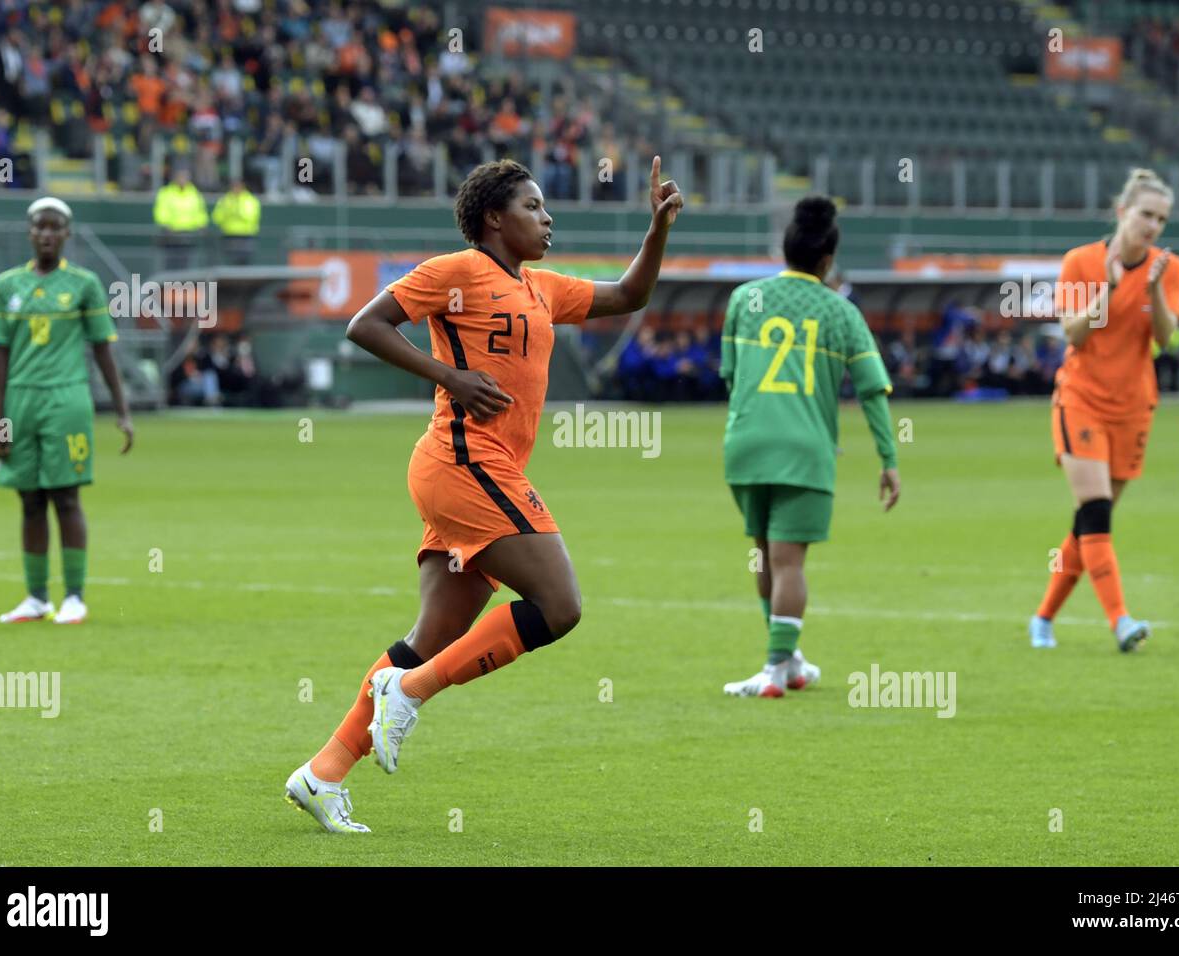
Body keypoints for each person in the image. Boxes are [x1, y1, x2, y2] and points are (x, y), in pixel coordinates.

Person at [283, 156, 683, 832]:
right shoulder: (457, 271)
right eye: (532, 206)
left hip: (477, 467)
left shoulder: (541, 287)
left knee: (435, 634)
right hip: (465, 460)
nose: (547, 217)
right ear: (493, 218)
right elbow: (366, 324)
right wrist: (449, 376)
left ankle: (322, 773)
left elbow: (628, 296)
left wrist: (657, 231)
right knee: (559, 605)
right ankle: (406, 692)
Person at [720, 197, 901, 698]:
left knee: (763, 554)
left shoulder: (744, 299)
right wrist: (888, 460)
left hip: (746, 444)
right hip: (805, 449)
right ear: (827, 261)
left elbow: (731, 378)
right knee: (788, 562)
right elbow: (872, 391)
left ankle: (789, 661)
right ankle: (777, 667)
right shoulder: (841, 312)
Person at [1029, 169, 1179, 653]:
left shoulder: (1169, 268)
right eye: (1146, 214)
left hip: (1134, 407)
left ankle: (1042, 617)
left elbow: (1164, 338)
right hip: (1081, 399)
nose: (1153, 226)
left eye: (1161, 219)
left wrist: (1153, 288)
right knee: (1095, 511)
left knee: (1089, 523)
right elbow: (1074, 334)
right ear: (1122, 212)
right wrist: (1111, 290)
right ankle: (1120, 620)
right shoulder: (1080, 261)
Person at [0, 197, 134, 625]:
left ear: (67, 234)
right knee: (29, 499)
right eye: (39, 227)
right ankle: (35, 598)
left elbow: (103, 351)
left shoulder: (84, 284)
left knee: (65, 496)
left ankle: (74, 596)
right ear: (29, 233)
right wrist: (0, 423)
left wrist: (121, 411)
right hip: (20, 401)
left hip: (67, 401)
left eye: (55, 228)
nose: (47, 235)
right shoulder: (6, 286)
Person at [153, 167, 208, 271]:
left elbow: (200, 212)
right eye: (180, 176)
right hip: (171, 235)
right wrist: (166, 225)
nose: (182, 179)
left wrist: (201, 225)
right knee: (170, 264)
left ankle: (185, 286)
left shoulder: (195, 193)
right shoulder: (166, 192)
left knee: (187, 264)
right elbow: (161, 211)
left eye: (185, 176)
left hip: (189, 234)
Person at [211, 177, 261, 265]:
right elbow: (216, 217)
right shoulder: (225, 200)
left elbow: (252, 216)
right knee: (230, 261)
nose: (236, 188)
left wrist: (236, 212)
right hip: (229, 235)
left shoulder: (250, 200)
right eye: (234, 186)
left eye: (238, 186)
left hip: (246, 235)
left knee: (244, 262)